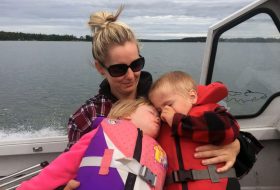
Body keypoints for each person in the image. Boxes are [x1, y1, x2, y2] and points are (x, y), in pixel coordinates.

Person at [64, 5, 263, 190]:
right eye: (118, 69)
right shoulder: (86, 117)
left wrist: (236, 147)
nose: (131, 75)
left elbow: (234, 133)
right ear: (100, 68)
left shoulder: (166, 98)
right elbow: (67, 170)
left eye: (136, 64)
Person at [18, 98, 167, 190]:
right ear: (127, 115)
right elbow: (61, 168)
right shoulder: (103, 132)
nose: (158, 118)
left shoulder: (159, 151)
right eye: (151, 113)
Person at [149, 71, 240, 190]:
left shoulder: (210, 113)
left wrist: (178, 122)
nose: (164, 114)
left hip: (218, 184)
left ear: (192, 97)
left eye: (169, 105)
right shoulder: (161, 128)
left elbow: (229, 130)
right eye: (159, 111)